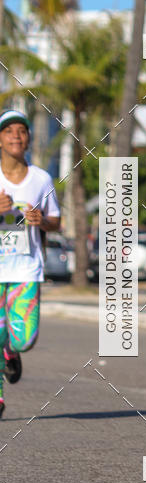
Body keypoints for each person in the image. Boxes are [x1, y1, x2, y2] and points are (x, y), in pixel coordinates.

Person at [0, 109, 61, 418]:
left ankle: (11, 351)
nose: (15, 135)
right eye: (8, 130)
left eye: (21, 130)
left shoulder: (41, 178)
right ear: (0, 138)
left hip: (25, 269)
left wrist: (41, 221)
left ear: (28, 138)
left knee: (24, 338)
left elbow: (56, 221)